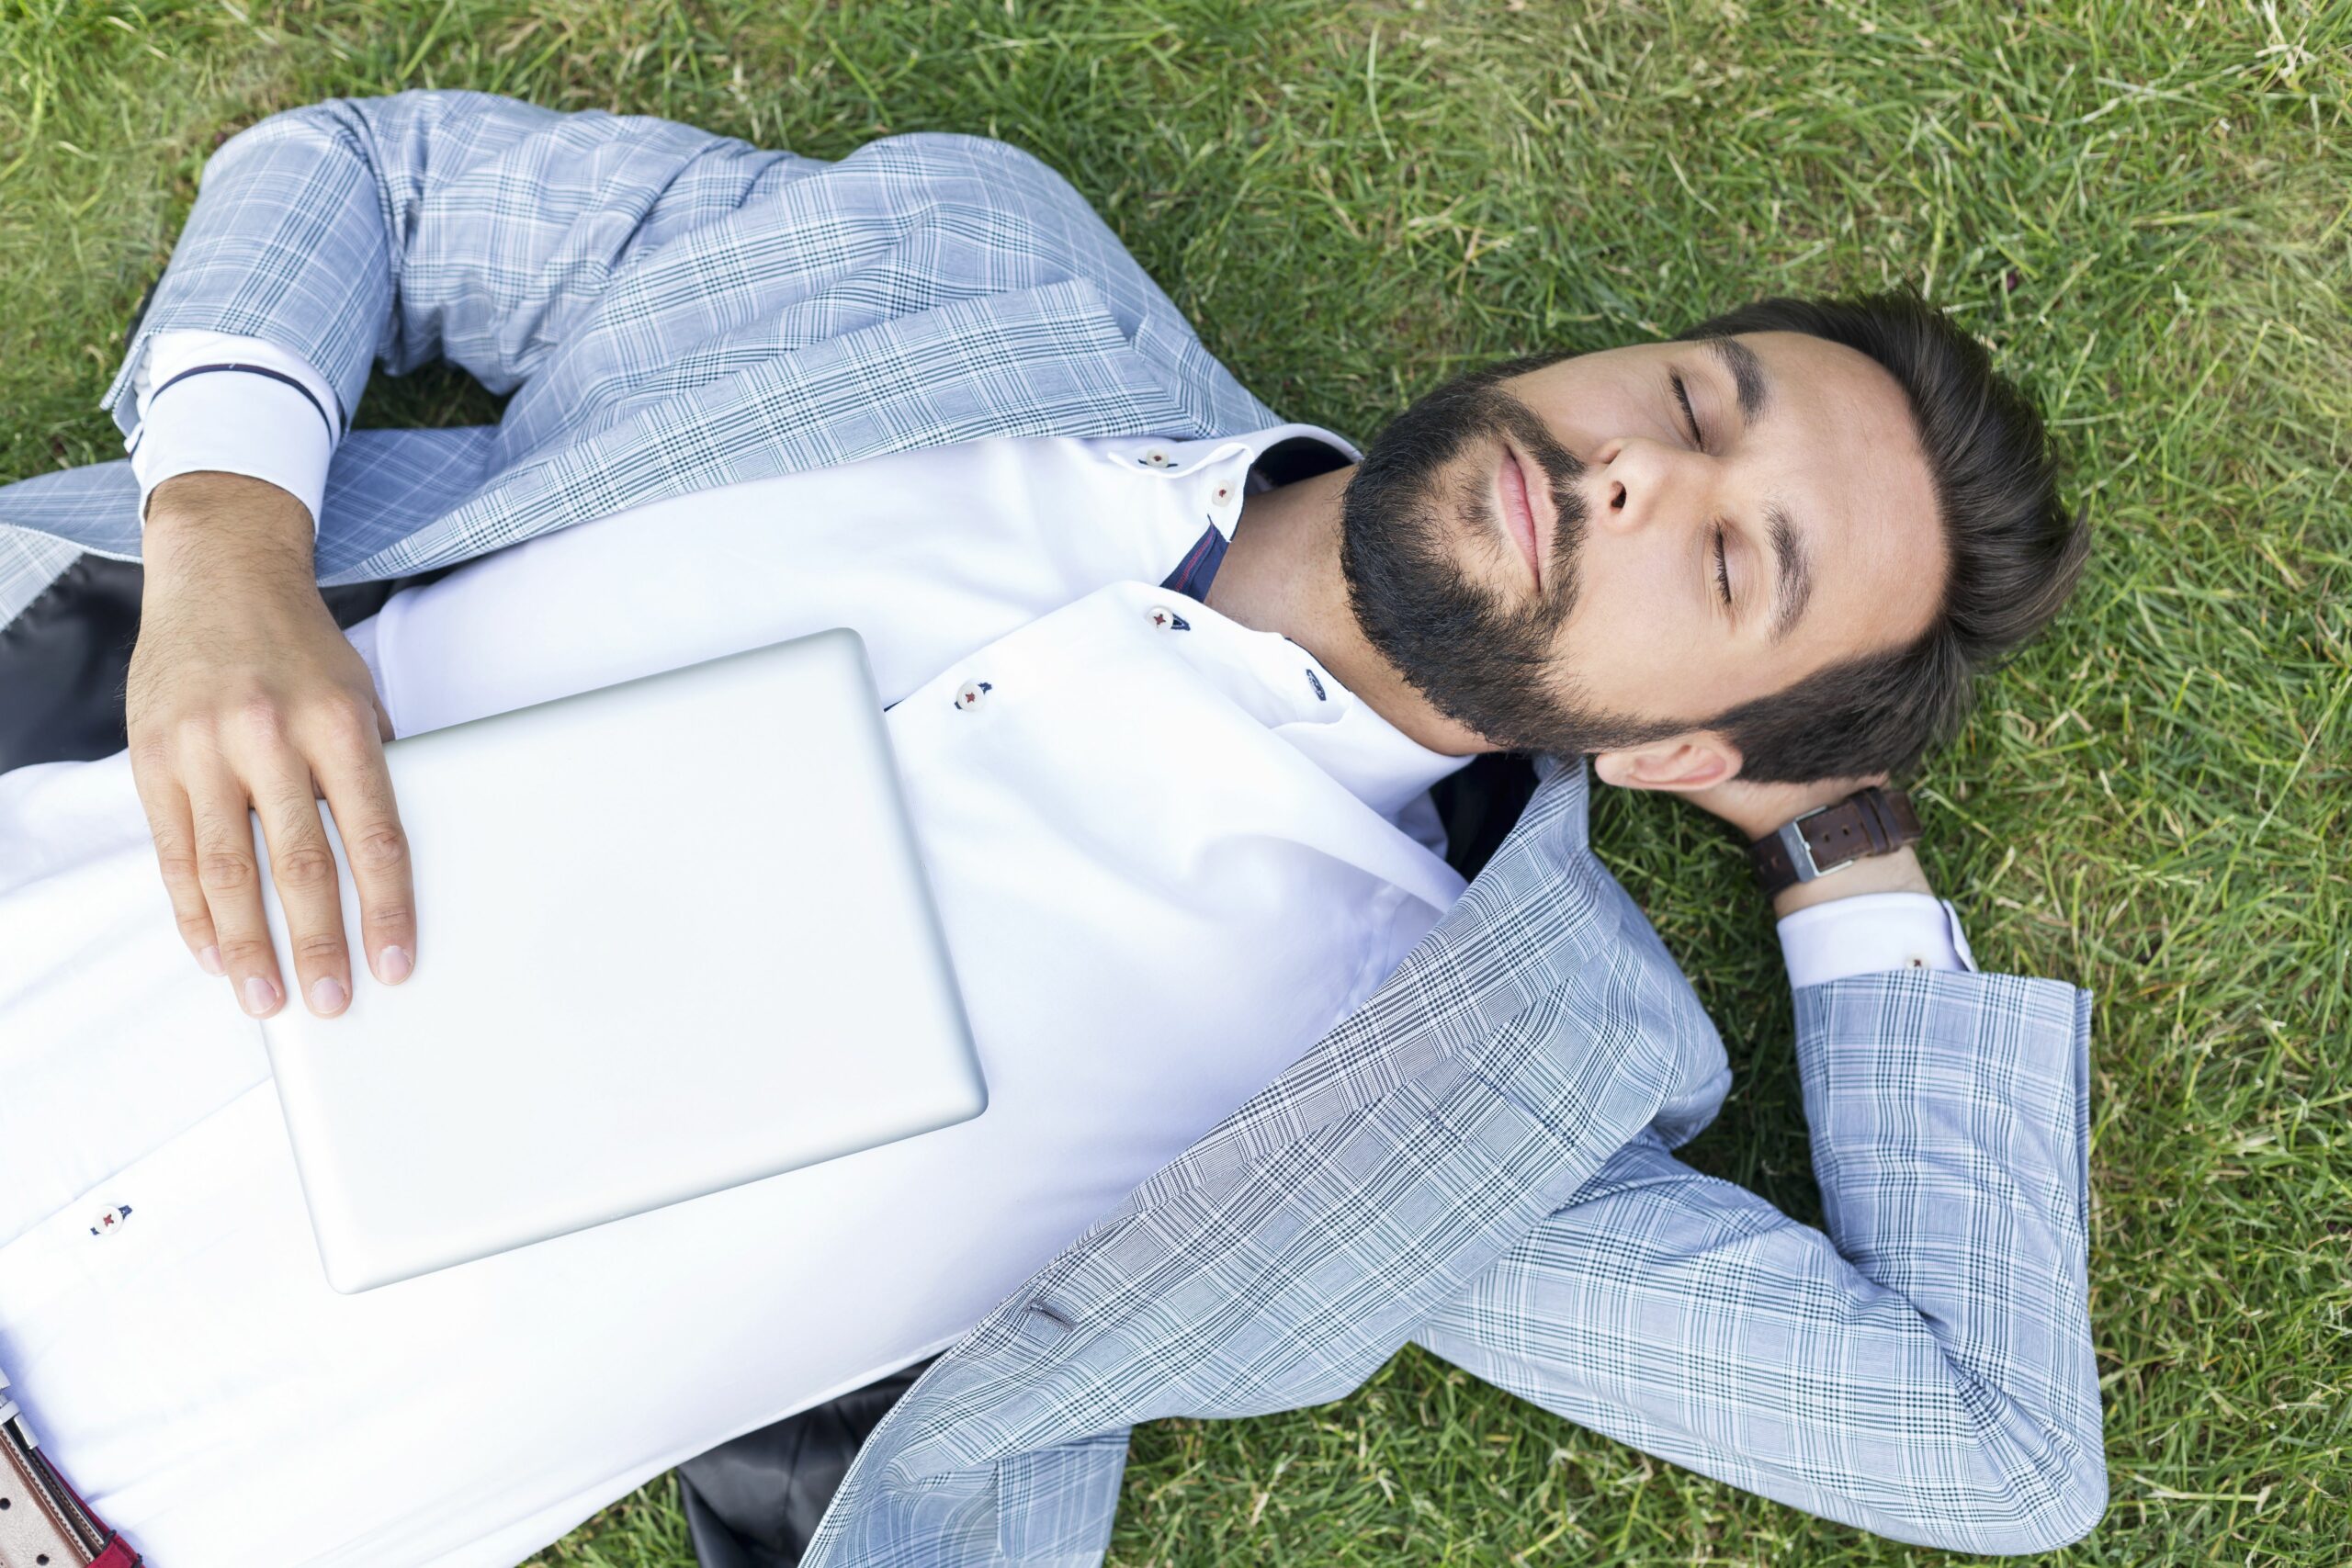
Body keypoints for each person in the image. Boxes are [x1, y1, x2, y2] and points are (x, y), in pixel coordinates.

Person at [0, 90, 2104, 1566]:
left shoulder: (1470, 1079)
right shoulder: (963, 270)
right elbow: (376, 171)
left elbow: (1992, 1446)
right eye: (1697, 395)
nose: (1646, 475)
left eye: (1736, 568)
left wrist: (1832, 845)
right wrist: (228, 540)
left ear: (1671, 755)